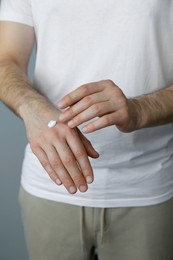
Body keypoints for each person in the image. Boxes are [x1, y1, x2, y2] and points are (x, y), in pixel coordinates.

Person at [0, 0, 173, 259]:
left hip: (149, 187)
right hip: (49, 185)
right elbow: (6, 60)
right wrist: (31, 107)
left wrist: (140, 109)